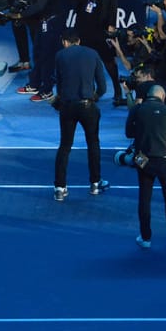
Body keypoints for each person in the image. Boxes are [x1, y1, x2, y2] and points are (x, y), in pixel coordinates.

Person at [125, 84, 166, 248]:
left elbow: (129, 133)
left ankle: (145, 238)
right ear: (163, 96)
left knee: (144, 198)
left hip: (143, 159)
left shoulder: (137, 110)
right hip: (165, 160)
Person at [52, 29, 109, 202]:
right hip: (87, 105)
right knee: (93, 143)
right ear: (79, 40)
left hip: (68, 107)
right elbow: (102, 86)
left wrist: (60, 102)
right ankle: (95, 184)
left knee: (65, 146)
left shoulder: (60, 56)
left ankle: (60, 188)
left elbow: (59, 85)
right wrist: (94, 98)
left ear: (65, 42)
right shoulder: (93, 54)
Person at [68, 0, 121, 105]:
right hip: (83, 25)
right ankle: (87, 91)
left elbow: (113, 5)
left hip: (101, 27)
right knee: (84, 60)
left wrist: (112, 25)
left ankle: (117, 89)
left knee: (108, 60)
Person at [12, 0, 62, 102]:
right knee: (38, 52)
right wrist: (23, 3)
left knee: (46, 56)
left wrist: (21, 14)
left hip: (51, 22)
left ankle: (47, 90)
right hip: (41, 21)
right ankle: (34, 84)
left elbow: (40, 5)